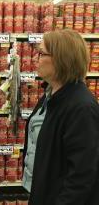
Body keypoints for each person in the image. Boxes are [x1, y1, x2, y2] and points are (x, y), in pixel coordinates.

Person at [22, 29, 99, 205]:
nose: (36, 58)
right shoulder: (50, 94)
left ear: (61, 59)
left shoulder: (82, 108)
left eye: (41, 53)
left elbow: (82, 177)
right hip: (42, 192)